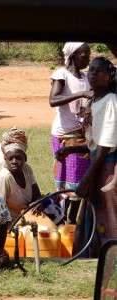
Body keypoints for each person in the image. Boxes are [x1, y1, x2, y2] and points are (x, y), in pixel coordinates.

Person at [55, 57, 117, 257]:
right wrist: (70, 149)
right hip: (97, 162)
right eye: (91, 70)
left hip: (107, 167)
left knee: (109, 214)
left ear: (109, 76)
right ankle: (94, 256)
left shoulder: (111, 102)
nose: (92, 74)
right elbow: (94, 141)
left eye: (98, 71)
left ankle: (111, 258)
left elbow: (106, 145)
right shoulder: (95, 100)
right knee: (94, 213)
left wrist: (86, 177)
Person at [49, 42, 93, 224]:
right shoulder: (62, 74)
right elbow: (53, 100)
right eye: (84, 56)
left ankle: (70, 218)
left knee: (77, 177)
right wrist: (82, 94)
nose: (87, 60)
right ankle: (65, 218)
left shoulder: (86, 77)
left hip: (80, 132)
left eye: (89, 56)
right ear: (73, 56)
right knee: (70, 178)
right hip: (64, 133)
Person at [0, 126, 63, 227]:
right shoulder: (4, 178)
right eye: (10, 159)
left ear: (25, 158)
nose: (14, 162)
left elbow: (37, 194)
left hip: (30, 213)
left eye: (18, 158)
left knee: (52, 199)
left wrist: (37, 203)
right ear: (5, 159)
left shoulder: (26, 169)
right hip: (14, 222)